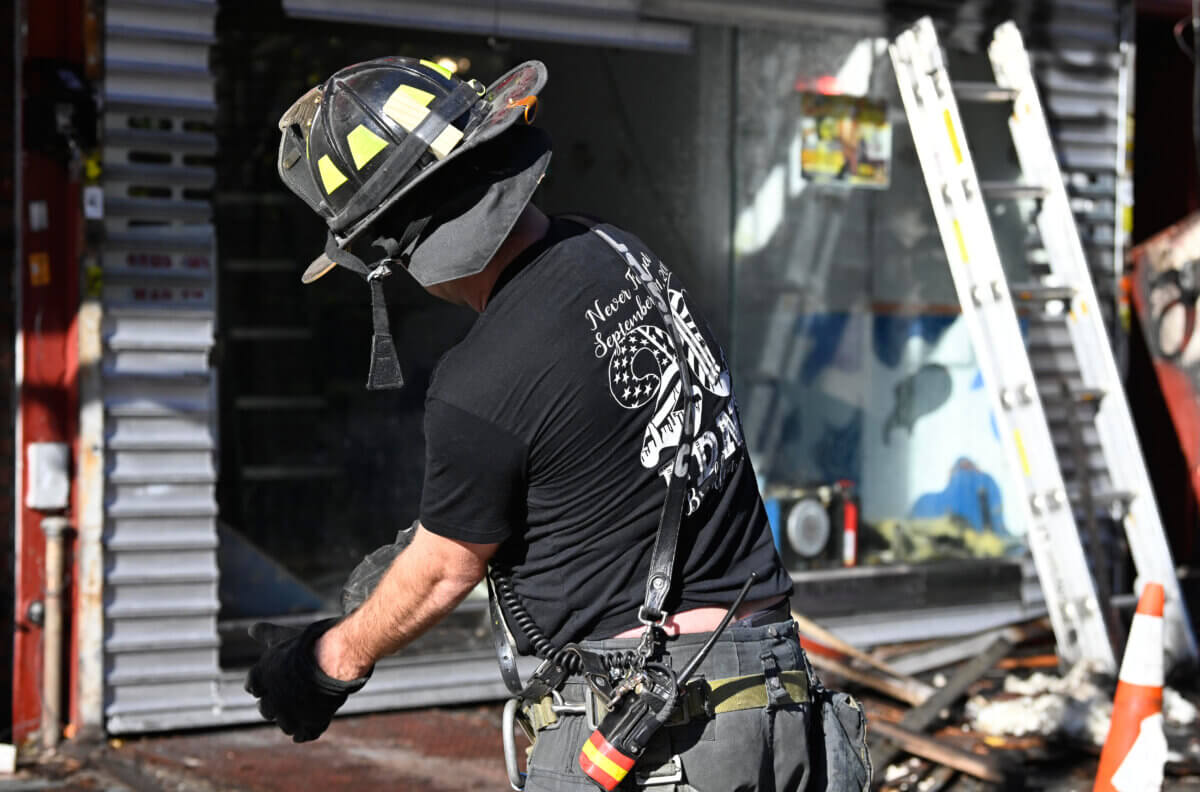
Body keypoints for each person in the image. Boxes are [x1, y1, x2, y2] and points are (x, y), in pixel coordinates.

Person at [245, 56, 870, 791]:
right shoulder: (616, 252)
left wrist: (327, 661)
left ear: (393, 247)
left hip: (664, 736)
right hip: (778, 697)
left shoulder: (480, 382)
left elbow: (448, 568)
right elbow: (587, 458)